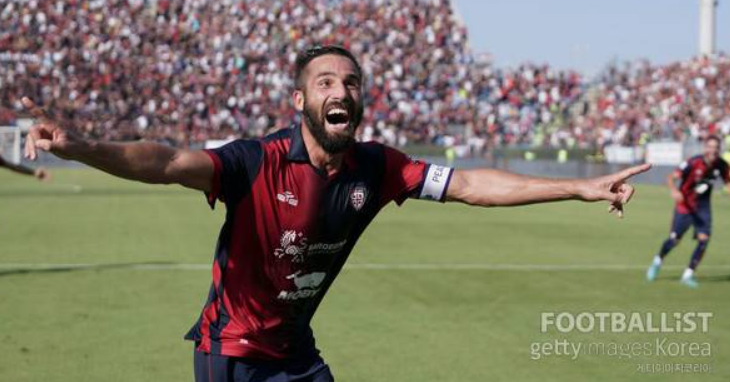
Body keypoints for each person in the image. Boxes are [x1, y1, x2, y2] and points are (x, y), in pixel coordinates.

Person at [22, 45, 650, 382]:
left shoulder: (377, 167)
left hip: (296, 354)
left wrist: (579, 188)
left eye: (350, 82)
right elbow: (162, 162)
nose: (340, 90)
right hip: (231, 355)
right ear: (300, 100)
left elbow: (471, 184)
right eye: (325, 82)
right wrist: (80, 146)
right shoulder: (256, 161)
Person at [646, 135, 730, 288]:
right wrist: (674, 191)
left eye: (716, 147)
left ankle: (687, 275)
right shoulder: (693, 162)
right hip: (684, 206)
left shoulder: (722, 165)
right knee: (674, 240)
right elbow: (671, 177)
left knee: (704, 241)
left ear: (719, 149)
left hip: (703, 209)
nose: (713, 150)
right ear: (705, 148)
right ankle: (658, 261)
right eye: (710, 147)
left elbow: (728, 182)